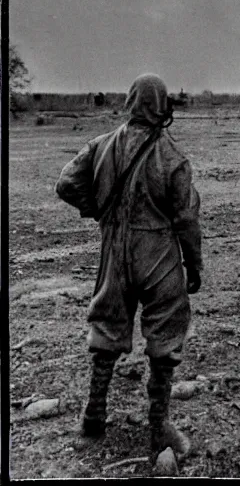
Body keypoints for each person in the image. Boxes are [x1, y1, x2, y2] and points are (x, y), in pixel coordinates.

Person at [56, 73, 203, 464]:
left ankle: (94, 415)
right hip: (158, 255)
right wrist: (194, 264)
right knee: (166, 334)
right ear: (162, 105)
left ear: (130, 101)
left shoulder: (101, 145)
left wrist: (99, 212)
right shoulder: (172, 156)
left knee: (106, 327)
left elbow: (66, 183)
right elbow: (187, 218)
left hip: (114, 250)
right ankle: (159, 427)